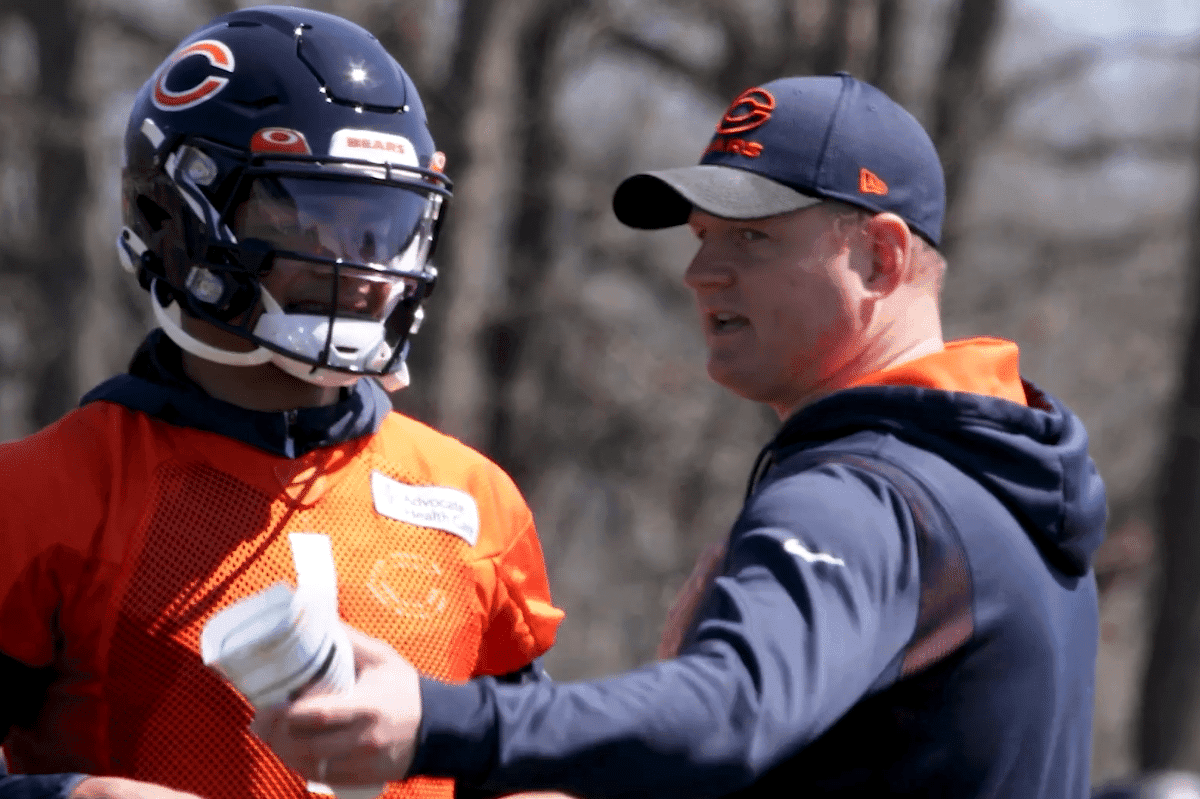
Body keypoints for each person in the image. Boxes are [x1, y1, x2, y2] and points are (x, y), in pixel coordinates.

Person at [254, 72, 1109, 798]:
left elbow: (735, 710)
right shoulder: (995, 479)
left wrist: (440, 719)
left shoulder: (862, 494)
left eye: (753, 236)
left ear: (881, 258)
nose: (701, 272)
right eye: (702, 237)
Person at [0, 7, 563, 799]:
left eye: (384, 223)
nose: (360, 264)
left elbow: (532, 770)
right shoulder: (40, 494)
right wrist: (68, 797)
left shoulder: (473, 498)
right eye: (311, 214)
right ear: (176, 215)